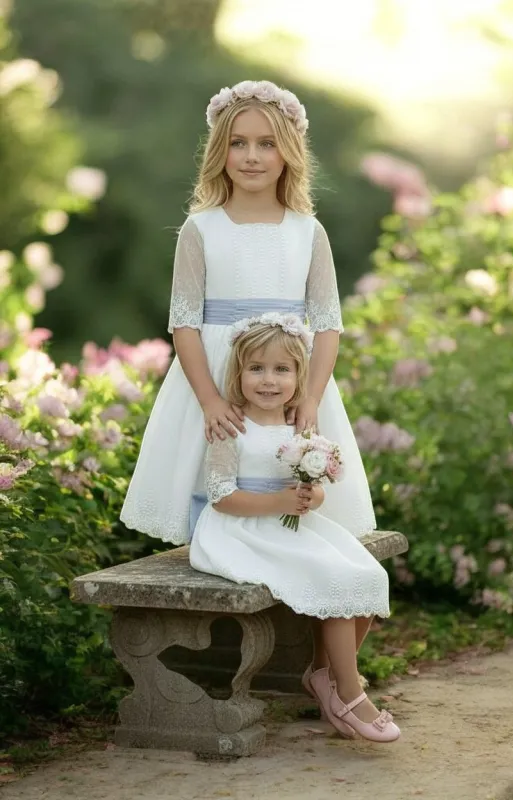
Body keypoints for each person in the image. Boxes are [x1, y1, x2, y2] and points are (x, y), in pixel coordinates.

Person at [120, 79, 376, 548]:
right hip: (217, 372)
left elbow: (328, 325)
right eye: (238, 143)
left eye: (266, 144)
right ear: (221, 151)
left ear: (288, 153)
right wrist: (211, 400)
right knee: (217, 472)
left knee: (285, 472)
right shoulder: (200, 229)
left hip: (288, 377)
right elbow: (184, 323)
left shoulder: (308, 231)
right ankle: (220, 548)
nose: (251, 156)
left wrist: (311, 397)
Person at [190, 316, 399, 743]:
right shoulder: (231, 426)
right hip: (240, 530)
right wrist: (279, 503)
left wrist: (308, 499)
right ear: (239, 373)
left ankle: (325, 675)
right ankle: (350, 692)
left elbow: (316, 490)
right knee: (338, 580)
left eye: (281, 369)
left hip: (290, 526)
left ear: (298, 376)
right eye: (257, 369)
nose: (269, 381)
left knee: (369, 575)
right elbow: (221, 496)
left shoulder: (299, 427)